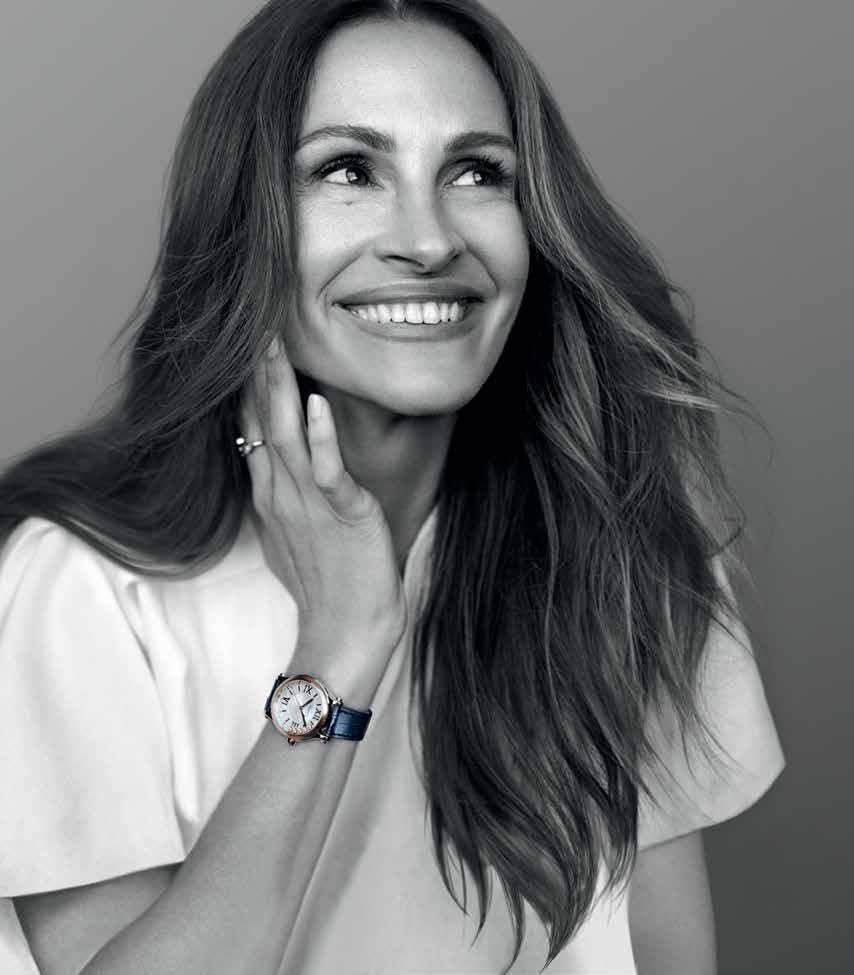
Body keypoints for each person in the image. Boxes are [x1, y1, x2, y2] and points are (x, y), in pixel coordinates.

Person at [0, 1, 786, 973]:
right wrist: (340, 648)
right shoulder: (81, 589)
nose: (428, 238)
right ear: (246, 226)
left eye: (477, 172)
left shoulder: (622, 541)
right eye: (348, 170)